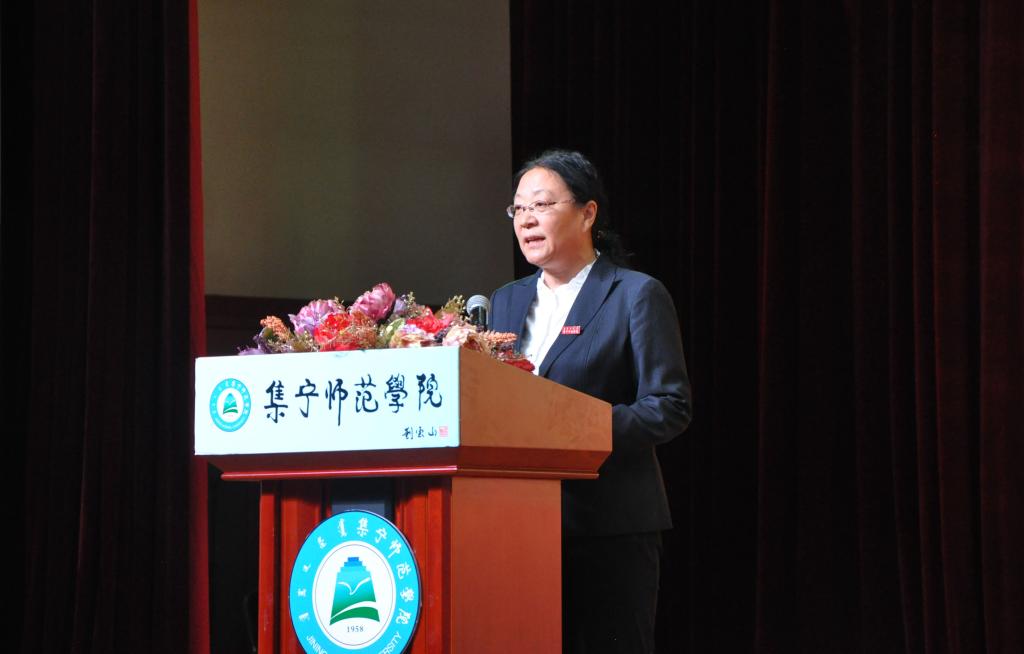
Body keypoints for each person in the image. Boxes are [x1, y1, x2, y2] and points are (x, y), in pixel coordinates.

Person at [489, 149, 692, 653]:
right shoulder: (505, 300)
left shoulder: (634, 294)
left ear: (587, 213)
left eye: (542, 204)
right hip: (519, 523)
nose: (526, 219)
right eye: (518, 208)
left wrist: (574, 428)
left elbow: (669, 405)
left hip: (609, 525)